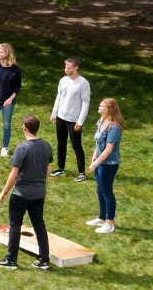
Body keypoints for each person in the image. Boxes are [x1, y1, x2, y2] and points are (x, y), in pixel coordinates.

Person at [0, 115, 53, 270]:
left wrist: (4, 191)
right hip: (39, 193)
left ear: (25, 128)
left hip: (21, 193)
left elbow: (14, 174)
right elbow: (48, 170)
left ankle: (11, 260)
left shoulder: (22, 148)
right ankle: (44, 260)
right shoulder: (46, 146)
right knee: (39, 225)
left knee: (15, 225)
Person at [49, 57, 91, 182]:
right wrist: (54, 113)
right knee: (61, 143)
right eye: (65, 67)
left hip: (74, 120)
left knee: (76, 145)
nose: (66, 69)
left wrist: (80, 121)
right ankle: (61, 168)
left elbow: (86, 103)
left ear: (76, 67)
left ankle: (82, 172)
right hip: (61, 117)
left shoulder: (83, 83)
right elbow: (59, 96)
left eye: (69, 67)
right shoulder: (63, 81)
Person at [87, 98, 125, 234]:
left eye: (103, 106)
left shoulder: (114, 127)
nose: (100, 107)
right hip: (100, 162)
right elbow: (99, 144)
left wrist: (96, 163)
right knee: (100, 190)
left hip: (108, 164)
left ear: (111, 109)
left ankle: (110, 223)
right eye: (100, 105)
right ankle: (102, 217)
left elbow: (109, 149)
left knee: (107, 192)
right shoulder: (101, 122)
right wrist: (94, 156)